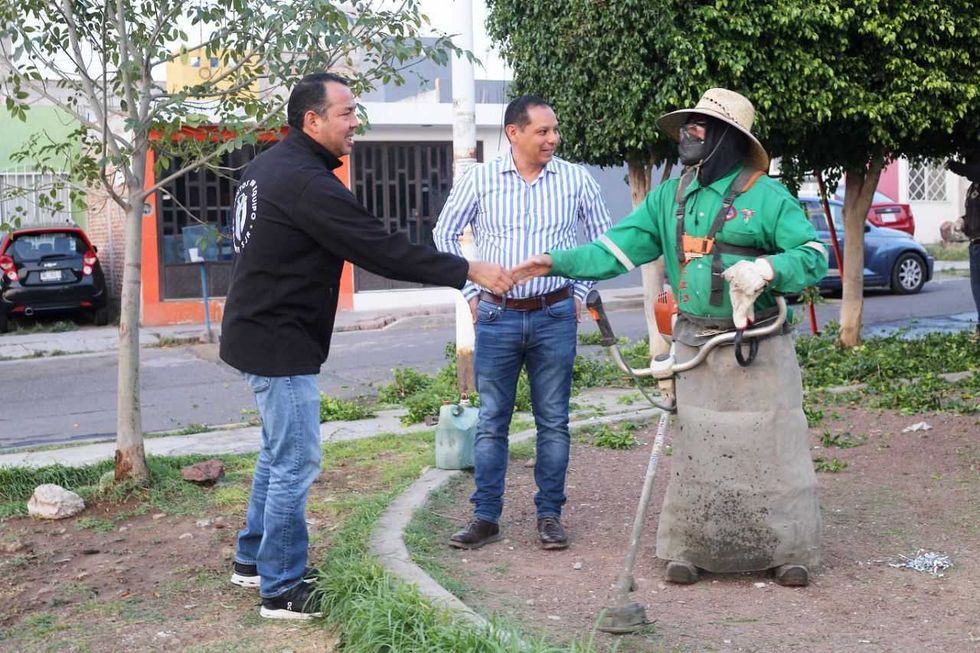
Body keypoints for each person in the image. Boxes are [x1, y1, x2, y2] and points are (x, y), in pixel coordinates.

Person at [220, 72, 513, 620]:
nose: (356, 123)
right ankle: (280, 588)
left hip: (258, 331)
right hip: (278, 340)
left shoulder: (267, 167)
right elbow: (381, 249)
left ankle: (253, 561)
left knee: (275, 453)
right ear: (312, 120)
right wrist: (466, 269)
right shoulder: (308, 183)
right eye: (346, 113)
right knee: (294, 462)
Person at [512, 88, 828, 586]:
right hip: (694, 347)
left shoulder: (767, 196)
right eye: (688, 123)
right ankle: (693, 549)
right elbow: (613, 252)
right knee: (699, 450)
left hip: (759, 347)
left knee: (774, 449)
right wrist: (556, 262)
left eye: (702, 125)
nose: (689, 131)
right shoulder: (669, 197)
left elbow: (814, 255)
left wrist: (768, 267)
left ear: (728, 138)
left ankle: (787, 551)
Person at [433, 95, 612, 551]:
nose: (553, 138)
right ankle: (485, 517)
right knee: (493, 420)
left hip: (555, 315)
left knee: (554, 421)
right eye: (543, 131)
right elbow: (443, 234)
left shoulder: (575, 180)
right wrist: (472, 289)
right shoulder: (480, 180)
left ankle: (549, 516)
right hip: (497, 316)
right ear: (514, 132)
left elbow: (603, 241)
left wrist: (575, 290)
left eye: (554, 131)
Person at [946, 152, 980, 336]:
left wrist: (953, 165)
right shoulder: (972, 188)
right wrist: (960, 222)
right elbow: (971, 215)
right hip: (975, 245)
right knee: (977, 291)